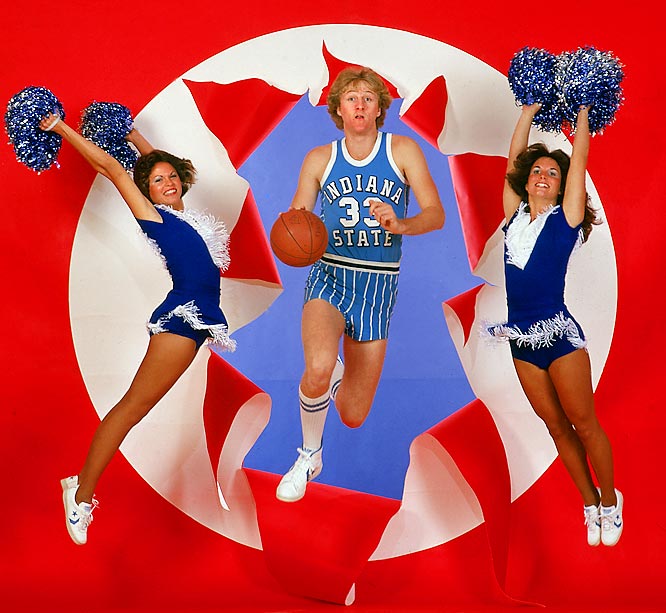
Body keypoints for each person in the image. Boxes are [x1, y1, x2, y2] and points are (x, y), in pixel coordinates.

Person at [38, 111, 235, 545]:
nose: (168, 184)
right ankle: (80, 492)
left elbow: (162, 166)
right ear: (146, 192)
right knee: (131, 409)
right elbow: (111, 169)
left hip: (197, 320)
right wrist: (62, 129)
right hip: (183, 317)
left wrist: (136, 136)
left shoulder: (186, 218)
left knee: (134, 408)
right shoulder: (154, 217)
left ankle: (80, 487)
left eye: (172, 177)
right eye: (157, 182)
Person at [275, 67, 445, 502]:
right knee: (316, 369)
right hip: (330, 276)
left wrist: (401, 224)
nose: (360, 105)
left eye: (369, 98)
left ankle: (334, 373)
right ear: (338, 108)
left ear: (379, 108)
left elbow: (435, 214)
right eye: (351, 97)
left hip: (377, 287)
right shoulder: (320, 159)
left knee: (353, 414)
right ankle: (309, 454)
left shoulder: (402, 150)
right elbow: (299, 217)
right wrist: (293, 232)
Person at [488, 102, 623, 546]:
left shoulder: (567, 219)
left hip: (559, 337)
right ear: (526, 181)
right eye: (537, 171)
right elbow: (513, 159)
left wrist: (583, 111)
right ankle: (589, 504)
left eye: (552, 173)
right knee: (556, 427)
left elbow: (579, 158)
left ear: (564, 186)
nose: (543, 176)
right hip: (520, 342)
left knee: (584, 422)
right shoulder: (512, 217)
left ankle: (610, 502)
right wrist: (527, 110)